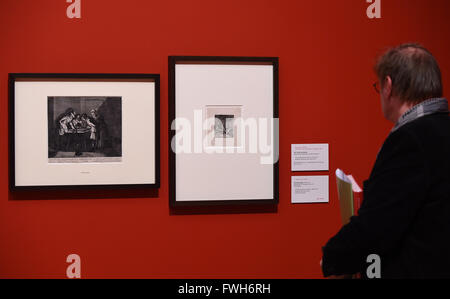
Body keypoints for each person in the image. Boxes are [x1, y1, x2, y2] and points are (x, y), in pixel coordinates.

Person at [321, 43, 450, 279]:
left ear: (388, 86)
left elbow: (378, 224)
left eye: (378, 86)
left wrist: (332, 257)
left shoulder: (411, 139)